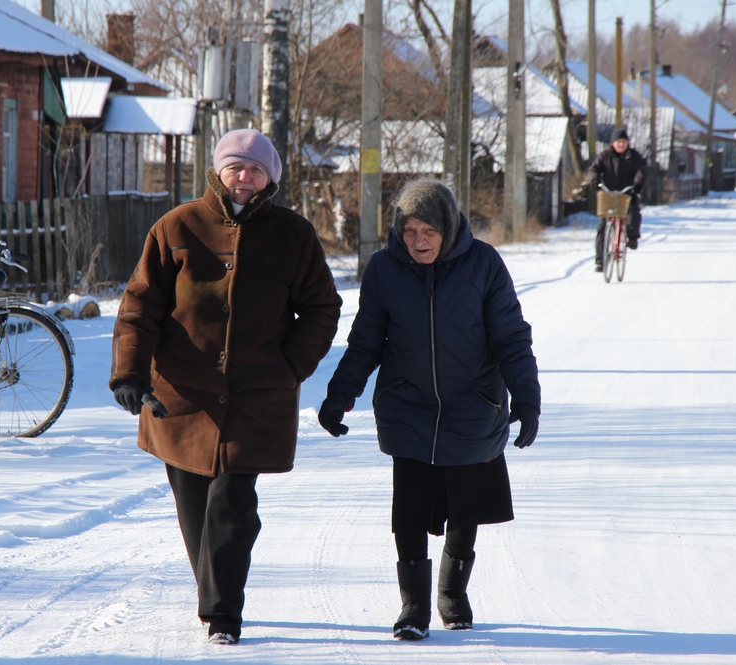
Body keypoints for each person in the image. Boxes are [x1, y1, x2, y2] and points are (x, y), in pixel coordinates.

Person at [109, 128, 342, 645]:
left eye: (256, 170)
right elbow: (140, 305)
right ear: (218, 171)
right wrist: (129, 372)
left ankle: (222, 614)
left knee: (234, 505)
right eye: (236, 167)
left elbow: (324, 308)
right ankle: (214, 592)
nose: (245, 177)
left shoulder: (293, 234)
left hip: (258, 394)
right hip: (181, 395)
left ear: (269, 180)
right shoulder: (177, 226)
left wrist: (291, 364)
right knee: (194, 505)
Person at [317, 179, 541, 641]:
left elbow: (511, 337)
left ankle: (453, 596)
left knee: (466, 505)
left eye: (428, 231)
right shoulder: (384, 269)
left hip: (474, 403)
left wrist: (527, 397)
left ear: (448, 227)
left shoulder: (484, 264)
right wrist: (340, 393)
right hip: (408, 405)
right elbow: (365, 342)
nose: (418, 241)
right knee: (411, 509)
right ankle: (414, 606)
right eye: (409, 231)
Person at [583, 127, 649, 271]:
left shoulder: (634, 156)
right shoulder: (605, 156)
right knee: (602, 225)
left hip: (627, 193)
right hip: (609, 194)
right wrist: (595, 181)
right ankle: (600, 260)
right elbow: (593, 169)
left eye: (624, 141)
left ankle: (632, 238)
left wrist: (637, 185)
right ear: (613, 143)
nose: (621, 144)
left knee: (633, 212)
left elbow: (642, 171)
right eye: (619, 141)